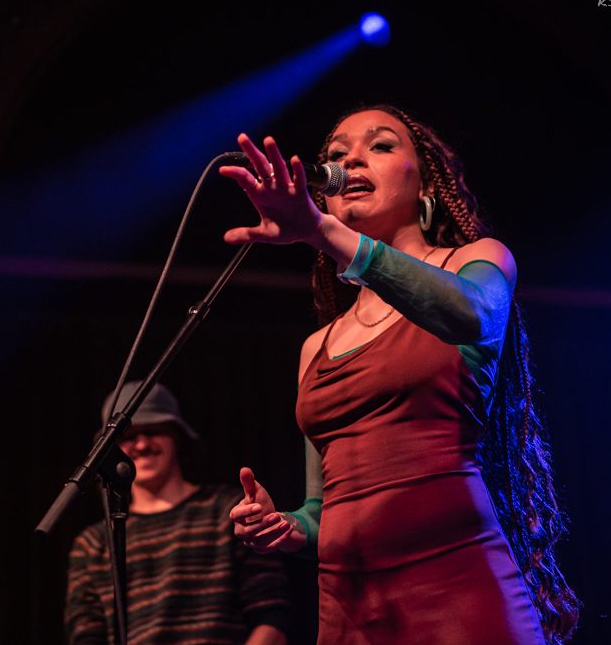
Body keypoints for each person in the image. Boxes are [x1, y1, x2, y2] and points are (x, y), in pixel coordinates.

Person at [218, 105, 579, 644]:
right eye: (335, 155)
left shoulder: (477, 261)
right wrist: (287, 528)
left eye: (381, 146)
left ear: (425, 183)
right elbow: (326, 507)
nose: (350, 160)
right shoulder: (317, 345)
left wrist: (322, 234)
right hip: (351, 604)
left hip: (455, 580)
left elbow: (470, 316)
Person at [64, 381, 292, 645]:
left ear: (177, 436)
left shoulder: (227, 511)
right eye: (127, 436)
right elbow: (85, 636)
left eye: (153, 430)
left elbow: (272, 617)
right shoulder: (92, 544)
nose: (141, 444)